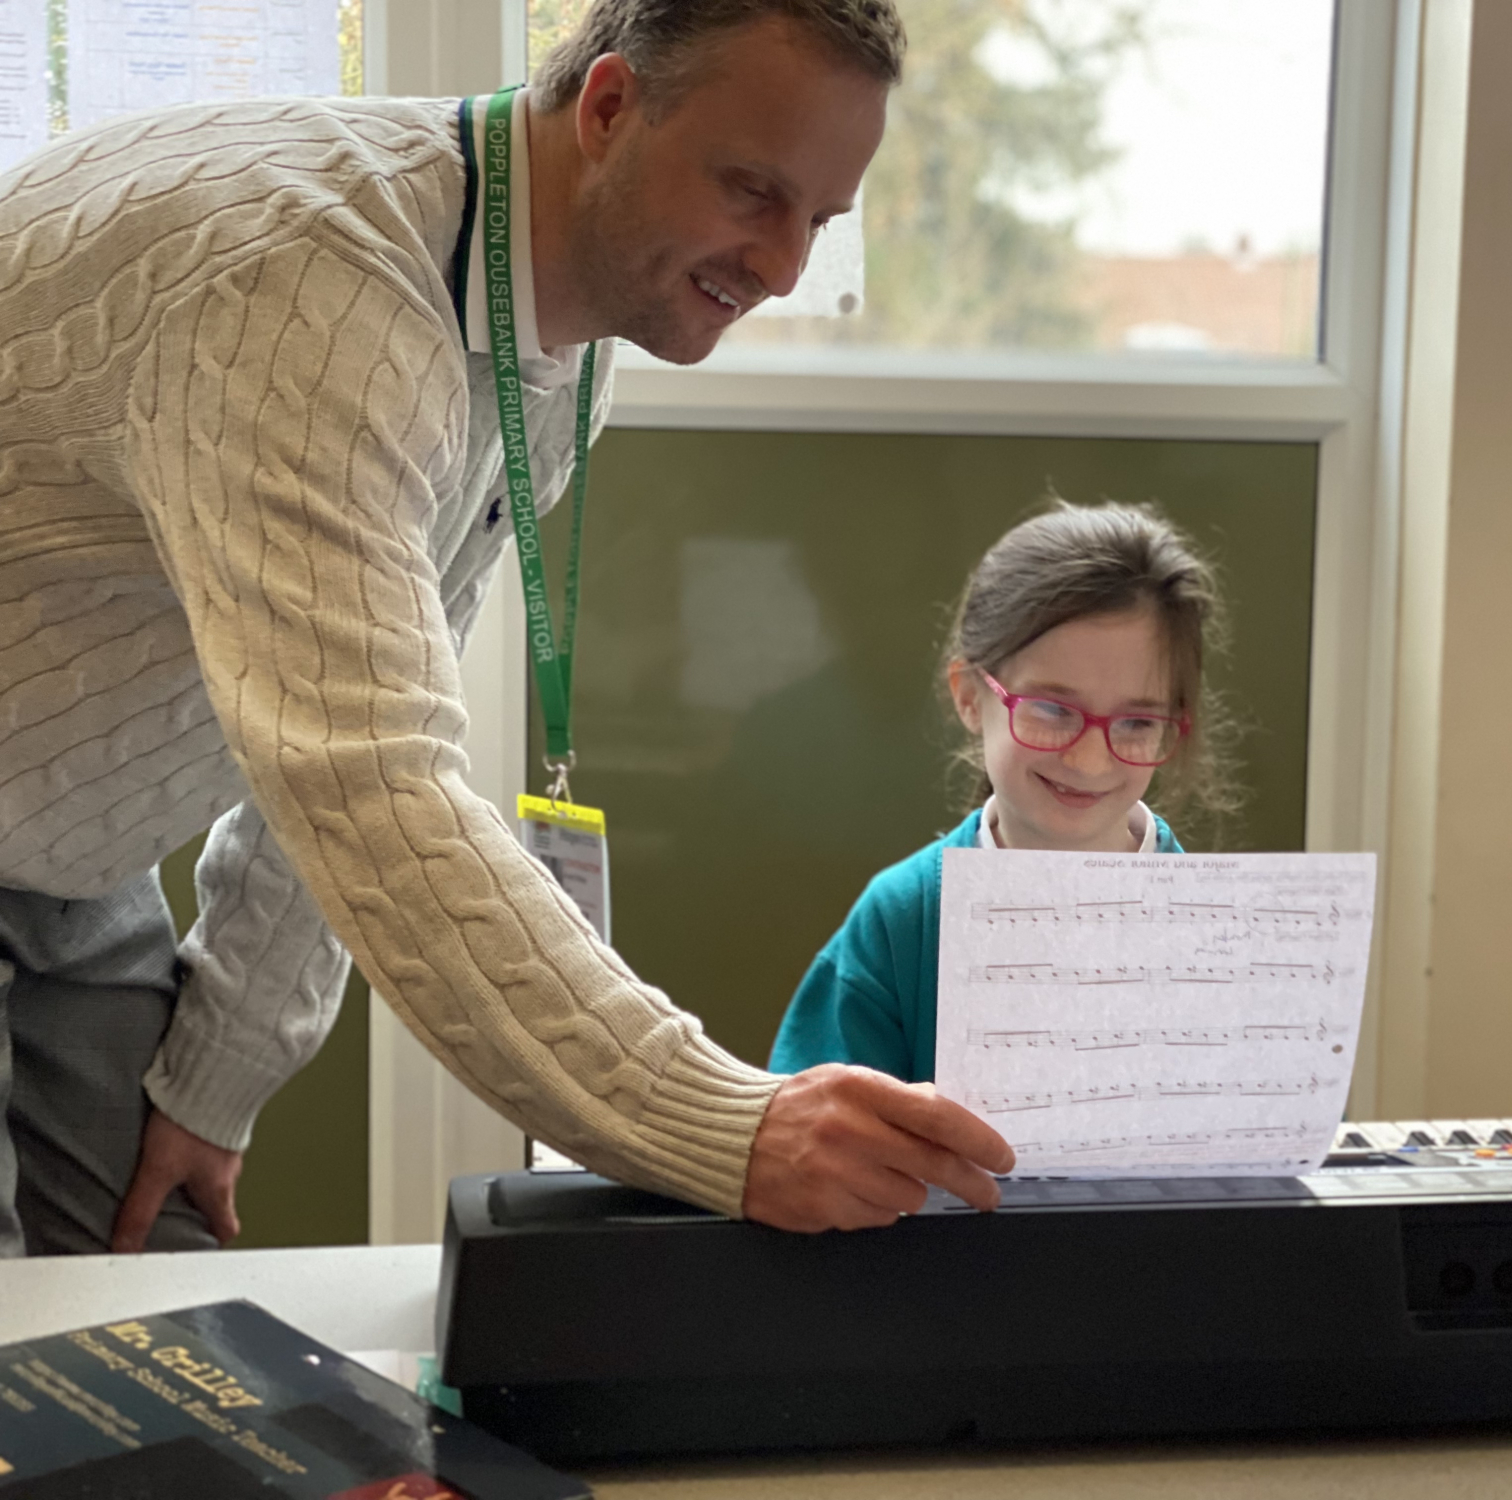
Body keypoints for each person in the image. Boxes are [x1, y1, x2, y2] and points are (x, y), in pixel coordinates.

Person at [0, 0, 1015, 1256]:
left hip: (68, 846)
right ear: (608, 108)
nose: (783, 267)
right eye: (753, 191)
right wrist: (726, 1125)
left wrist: (216, 1077)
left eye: (819, 219)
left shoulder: (555, 331)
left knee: (148, 1286)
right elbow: (368, 785)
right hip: (44, 811)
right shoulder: (311, 292)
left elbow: (335, 704)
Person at [770, 501, 1237, 1083]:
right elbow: (817, 1125)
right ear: (970, 696)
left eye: (1138, 722)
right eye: (1051, 709)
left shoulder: (1225, 934)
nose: (1090, 759)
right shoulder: (901, 922)